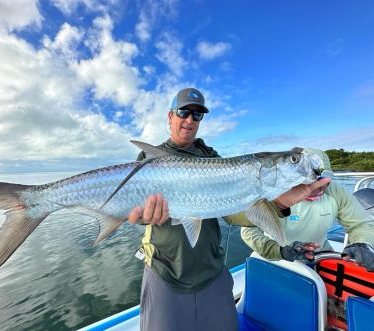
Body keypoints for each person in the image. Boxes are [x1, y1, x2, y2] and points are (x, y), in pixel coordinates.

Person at [127, 87, 332, 331]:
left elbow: (233, 214)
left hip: (211, 271)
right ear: (170, 116)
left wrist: (279, 203)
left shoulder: (212, 157)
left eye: (197, 115)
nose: (189, 120)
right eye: (183, 112)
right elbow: (133, 208)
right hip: (165, 271)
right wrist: (142, 218)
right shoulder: (148, 158)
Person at [237, 148, 374, 271]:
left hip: (320, 255)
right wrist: (280, 251)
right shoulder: (271, 191)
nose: (316, 185)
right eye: (307, 179)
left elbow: (360, 223)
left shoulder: (335, 191)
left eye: (321, 178)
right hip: (276, 257)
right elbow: (248, 230)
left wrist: (363, 243)